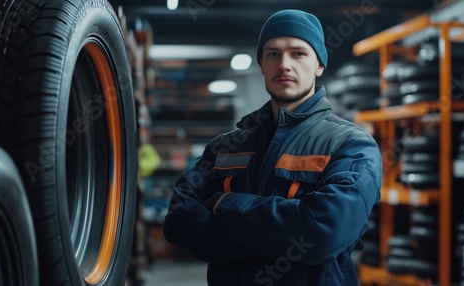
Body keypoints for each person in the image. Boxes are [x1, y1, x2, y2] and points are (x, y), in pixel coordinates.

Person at [163, 9, 382, 286]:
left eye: (298, 53)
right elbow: (177, 221)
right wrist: (279, 240)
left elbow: (323, 233)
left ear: (319, 65)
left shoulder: (351, 145)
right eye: (273, 54)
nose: (284, 65)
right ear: (262, 65)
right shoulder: (224, 147)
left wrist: (222, 203)